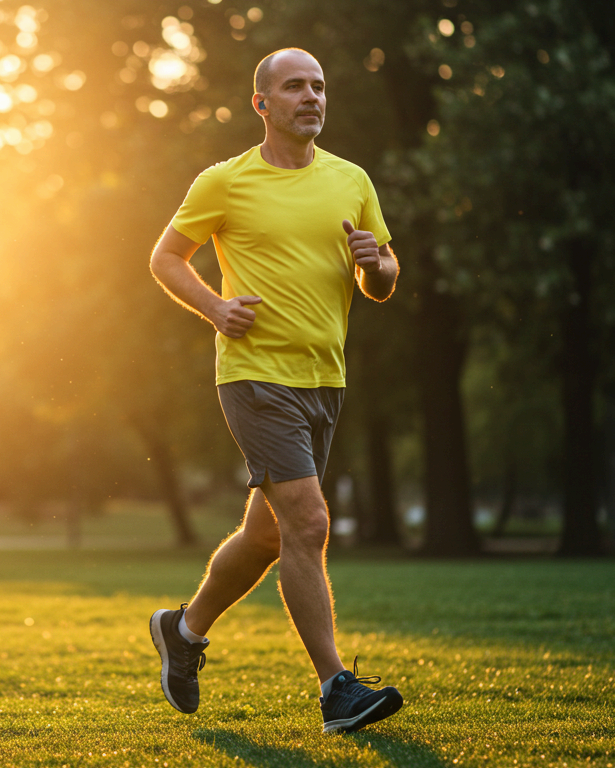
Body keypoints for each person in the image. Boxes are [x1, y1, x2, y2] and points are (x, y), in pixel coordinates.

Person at [146, 47, 403, 734]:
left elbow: (381, 279)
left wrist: (377, 266)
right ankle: (335, 689)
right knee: (310, 523)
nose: (311, 97)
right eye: (294, 87)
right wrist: (215, 307)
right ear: (262, 103)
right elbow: (166, 257)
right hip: (255, 376)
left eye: (318, 86)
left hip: (325, 378)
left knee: (267, 535)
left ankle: (182, 631)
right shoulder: (225, 182)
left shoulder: (351, 180)